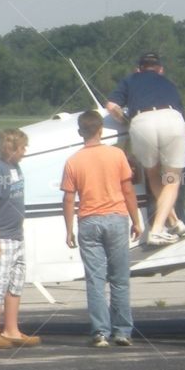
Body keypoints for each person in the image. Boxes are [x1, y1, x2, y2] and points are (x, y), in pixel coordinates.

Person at [61, 110, 143, 347]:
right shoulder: (116, 155)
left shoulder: (73, 161)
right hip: (116, 218)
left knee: (95, 279)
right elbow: (127, 190)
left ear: (80, 132)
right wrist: (136, 220)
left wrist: (68, 230)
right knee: (119, 278)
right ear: (101, 130)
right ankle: (122, 331)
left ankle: (100, 332)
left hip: (88, 220)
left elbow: (68, 198)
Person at [105, 52, 185, 246]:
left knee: (152, 175)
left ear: (138, 69)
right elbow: (182, 118)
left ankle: (175, 222)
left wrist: (126, 121)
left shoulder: (130, 79)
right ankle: (158, 229)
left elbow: (111, 106)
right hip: (171, 119)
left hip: (142, 122)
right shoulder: (168, 82)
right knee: (172, 179)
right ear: (160, 69)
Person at [0, 128, 40, 349]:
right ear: (10, 148)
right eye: (22, 147)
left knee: (15, 282)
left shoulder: (15, 167)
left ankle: (11, 330)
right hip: (1, 236)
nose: (25, 151)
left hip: (16, 235)